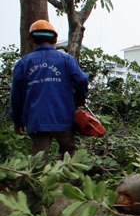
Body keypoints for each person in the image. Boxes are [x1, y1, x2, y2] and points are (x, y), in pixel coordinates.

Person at [10, 20, 89, 157]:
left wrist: (17, 120)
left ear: (32, 39)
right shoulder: (66, 60)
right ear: (55, 39)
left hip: (37, 120)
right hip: (63, 118)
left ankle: (40, 171)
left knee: (39, 161)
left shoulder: (23, 63)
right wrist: (79, 99)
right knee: (69, 157)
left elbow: (16, 96)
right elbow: (81, 80)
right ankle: (69, 172)